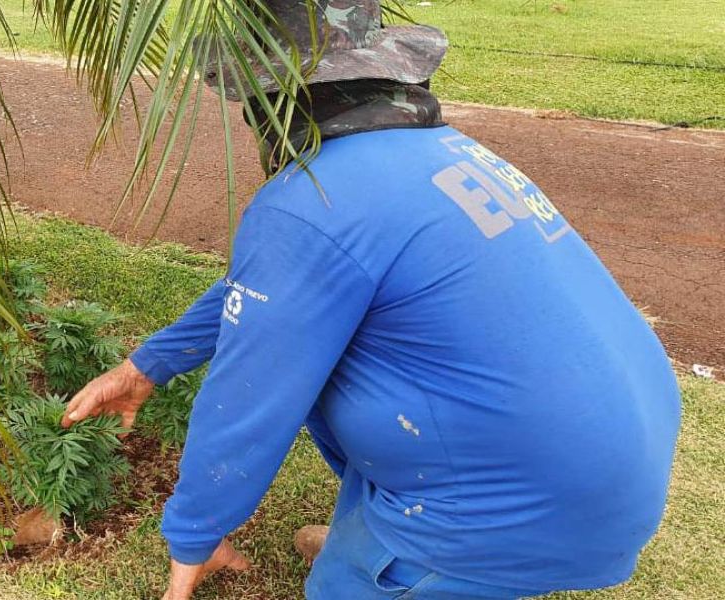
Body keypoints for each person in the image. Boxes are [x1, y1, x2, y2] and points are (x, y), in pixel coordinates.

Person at [61, 0, 682, 598]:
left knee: (337, 579)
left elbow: (247, 395)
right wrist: (148, 365)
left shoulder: (311, 200)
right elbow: (277, 290)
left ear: (275, 101)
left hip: (528, 508)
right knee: (378, 343)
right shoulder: (446, 153)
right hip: (615, 466)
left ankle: (402, 564)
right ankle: (384, 534)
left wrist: (194, 531)